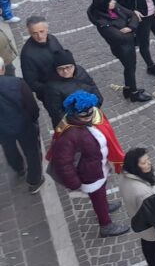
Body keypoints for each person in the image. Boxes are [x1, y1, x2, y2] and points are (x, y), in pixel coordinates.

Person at [47, 91, 129, 237]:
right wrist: (74, 183)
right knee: (97, 195)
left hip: (98, 166)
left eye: (91, 112)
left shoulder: (92, 118)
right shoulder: (69, 135)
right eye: (84, 114)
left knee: (100, 192)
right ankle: (105, 225)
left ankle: (104, 206)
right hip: (89, 173)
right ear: (74, 113)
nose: (90, 116)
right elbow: (64, 163)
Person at [86, 0, 153, 103]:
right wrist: (132, 27)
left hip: (127, 45)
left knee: (129, 69)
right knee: (130, 69)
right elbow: (121, 38)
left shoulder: (113, 7)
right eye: (111, 1)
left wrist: (130, 27)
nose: (114, 2)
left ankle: (128, 89)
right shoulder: (102, 22)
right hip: (123, 49)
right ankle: (134, 93)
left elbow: (132, 14)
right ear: (104, 4)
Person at [0, 75, 45, 194]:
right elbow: (30, 103)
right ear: (2, 69)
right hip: (24, 123)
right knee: (31, 151)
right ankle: (34, 181)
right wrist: (34, 118)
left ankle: (18, 167)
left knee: (9, 148)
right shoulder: (17, 82)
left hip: (3, 129)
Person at [42, 50, 102, 128]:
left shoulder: (80, 71)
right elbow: (57, 113)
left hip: (92, 114)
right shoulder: (52, 87)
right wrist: (80, 121)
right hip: (75, 125)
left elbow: (93, 87)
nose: (65, 71)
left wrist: (95, 107)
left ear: (74, 65)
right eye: (60, 69)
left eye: (68, 67)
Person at [20, 16, 65, 102]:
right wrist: (52, 89)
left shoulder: (52, 38)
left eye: (42, 31)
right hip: (50, 94)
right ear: (29, 32)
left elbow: (63, 57)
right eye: (34, 33)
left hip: (65, 84)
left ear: (47, 29)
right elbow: (31, 83)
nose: (39, 36)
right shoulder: (27, 55)